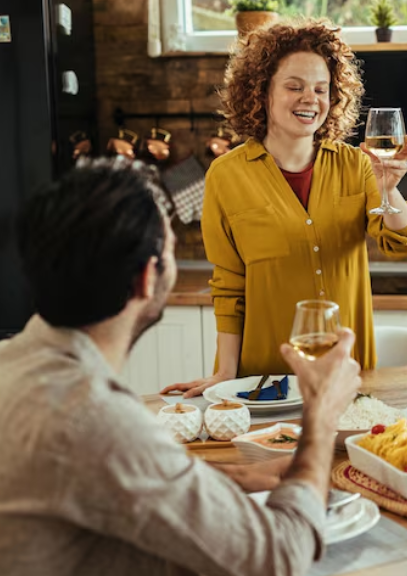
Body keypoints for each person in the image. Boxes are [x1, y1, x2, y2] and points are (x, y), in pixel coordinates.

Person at [0, 159, 362, 575]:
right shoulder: (92, 415)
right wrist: (320, 418)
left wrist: (224, 478)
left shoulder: (16, 362)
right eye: (170, 248)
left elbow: (103, 474)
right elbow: (280, 558)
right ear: (147, 277)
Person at [163, 18, 407, 398]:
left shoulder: (358, 165)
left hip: (348, 376)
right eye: (294, 87)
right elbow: (228, 283)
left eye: (322, 89)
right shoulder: (225, 175)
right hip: (265, 380)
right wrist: (225, 372)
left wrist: (389, 189)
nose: (311, 99)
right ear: (261, 93)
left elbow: (401, 242)